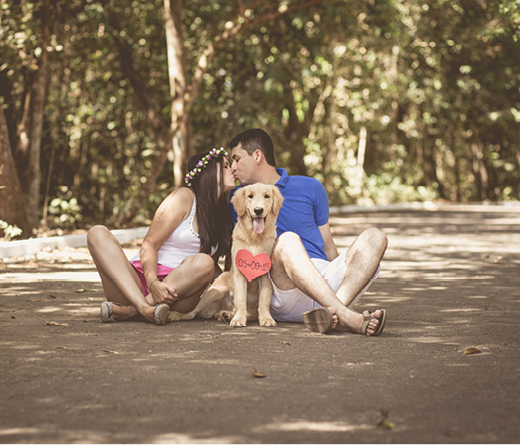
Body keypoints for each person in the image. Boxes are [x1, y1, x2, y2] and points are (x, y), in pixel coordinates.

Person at [228, 129, 388, 335]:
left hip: (325, 282)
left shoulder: (311, 187)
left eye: (236, 159)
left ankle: (332, 311)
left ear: (257, 156)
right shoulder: (242, 199)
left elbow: (328, 245)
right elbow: (237, 254)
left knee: (375, 236)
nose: (233, 167)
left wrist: (343, 277)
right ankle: (346, 316)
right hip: (283, 286)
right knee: (287, 240)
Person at [87, 148, 236, 325]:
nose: (233, 169)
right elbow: (149, 244)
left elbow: (212, 269)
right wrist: (153, 283)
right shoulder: (184, 197)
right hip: (135, 284)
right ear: (210, 172)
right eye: (226, 166)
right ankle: (143, 308)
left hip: (179, 296)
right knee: (97, 233)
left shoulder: (225, 214)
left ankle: (132, 311)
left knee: (205, 262)